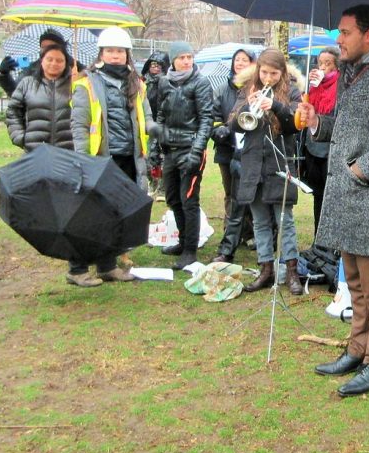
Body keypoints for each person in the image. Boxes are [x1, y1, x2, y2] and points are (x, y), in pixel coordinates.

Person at [299, 4, 369, 397]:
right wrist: (317, 121)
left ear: (368, 35)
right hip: (350, 201)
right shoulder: (352, 73)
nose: (338, 39)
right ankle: (357, 349)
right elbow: (349, 129)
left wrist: (361, 169)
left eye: (345, 32)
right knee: (356, 285)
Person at [70, 26, 154, 287]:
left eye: (119, 51)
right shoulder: (86, 84)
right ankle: (76, 269)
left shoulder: (137, 84)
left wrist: (157, 130)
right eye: (110, 51)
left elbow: (146, 118)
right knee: (89, 215)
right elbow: (79, 126)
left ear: (127, 54)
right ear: (101, 54)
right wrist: (84, 160)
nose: (115, 55)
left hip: (129, 159)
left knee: (116, 214)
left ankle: (107, 266)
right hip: (99, 159)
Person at [228, 48, 303, 295]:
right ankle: (266, 269)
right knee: (260, 221)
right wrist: (246, 107)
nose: (268, 78)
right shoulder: (248, 89)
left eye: (273, 73)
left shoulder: (292, 91)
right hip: (253, 164)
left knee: (285, 221)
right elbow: (234, 124)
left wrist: (276, 106)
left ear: (282, 72)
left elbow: (296, 124)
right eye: (264, 72)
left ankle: (292, 271)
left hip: (279, 163)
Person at [151, 41, 215, 270]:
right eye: (182, 58)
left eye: (189, 57)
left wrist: (197, 151)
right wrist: (155, 146)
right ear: (173, 60)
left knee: (189, 200)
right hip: (170, 148)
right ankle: (182, 240)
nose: (187, 61)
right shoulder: (164, 82)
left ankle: (190, 250)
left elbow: (206, 119)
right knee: (173, 198)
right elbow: (160, 115)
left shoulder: (200, 82)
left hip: (190, 147)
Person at [208, 47, 256, 263]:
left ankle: (249, 232)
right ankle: (230, 231)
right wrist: (220, 129)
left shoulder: (255, 88)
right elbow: (214, 115)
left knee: (248, 194)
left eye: (245, 60)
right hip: (226, 148)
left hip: (248, 149)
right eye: (237, 60)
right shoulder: (222, 89)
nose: (240, 63)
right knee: (231, 192)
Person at [5, 43, 75, 152]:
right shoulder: (27, 84)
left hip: (68, 151)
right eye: (49, 59)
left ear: (66, 63)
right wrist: (19, 137)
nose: (54, 63)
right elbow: (13, 111)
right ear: (41, 61)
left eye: (59, 60)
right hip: (35, 150)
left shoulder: (75, 85)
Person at [302, 45, 340, 233]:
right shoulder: (314, 86)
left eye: (328, 63)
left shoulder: (341, 85)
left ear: (336, 65)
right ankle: (318, 236)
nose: (323, 67)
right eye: (320, 63)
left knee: (331, 197)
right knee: (317, 195)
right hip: (313, 147)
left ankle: (329, 238)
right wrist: (308, 87)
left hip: (331, 150)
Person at [0, 29, 76, 98]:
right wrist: (3, 75)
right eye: (43, 47)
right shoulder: (32, 69)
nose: (45, 50)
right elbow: (16, 93)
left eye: (50, 47)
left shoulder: (74, 69)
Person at [140, 50, 170, 120]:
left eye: (159, 66)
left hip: (160, 119)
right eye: (153, 65)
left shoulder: (168, 82)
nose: (156, 68)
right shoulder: (142, 80)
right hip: (143, 116)